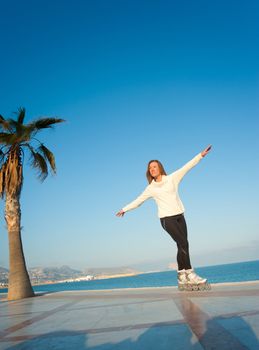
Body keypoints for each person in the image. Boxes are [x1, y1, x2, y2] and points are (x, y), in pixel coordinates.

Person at [116, 145, 212, 290]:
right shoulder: (151, 188)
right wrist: (125, 209)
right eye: (150, 168)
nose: (152, 169)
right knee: (183, 244)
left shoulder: (172, 178)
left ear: (160, 168)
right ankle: (190, 273)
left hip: (180, 216)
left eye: (154, 166)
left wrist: (201, 155)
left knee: (182, 245)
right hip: (167, 220)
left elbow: (187, 167)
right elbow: (138, 201)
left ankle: (181, 275)